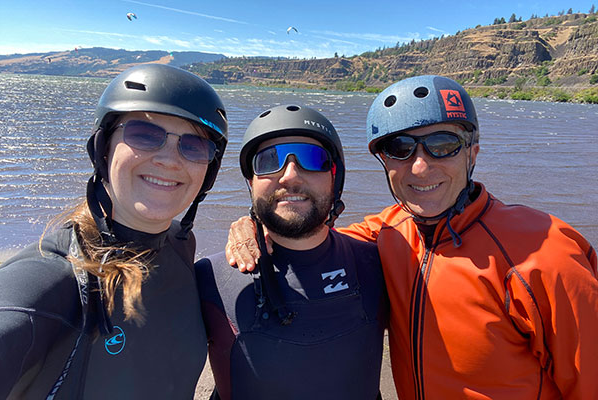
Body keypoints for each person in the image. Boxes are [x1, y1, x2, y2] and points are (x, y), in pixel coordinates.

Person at [225, 76, 598, 399]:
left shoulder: (548, 256)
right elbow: (312, 232)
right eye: (400, 148)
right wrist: (253, 222)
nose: (420, 166)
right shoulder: (389, 234)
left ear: (472, 153)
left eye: (442, 144)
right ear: (384, 162)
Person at [0, 63, 228, 399]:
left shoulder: (181, 244)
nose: (169, 160)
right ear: (103, 149)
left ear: (208, 173)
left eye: (193, 146)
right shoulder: (54, 280)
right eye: (145, 134)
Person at [196, 104, 388, 400]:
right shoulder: (207, 278)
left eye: (313, 159)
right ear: (251, 182)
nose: (290, 176)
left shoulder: (378, 264)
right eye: (269, 160)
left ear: (334, 177)